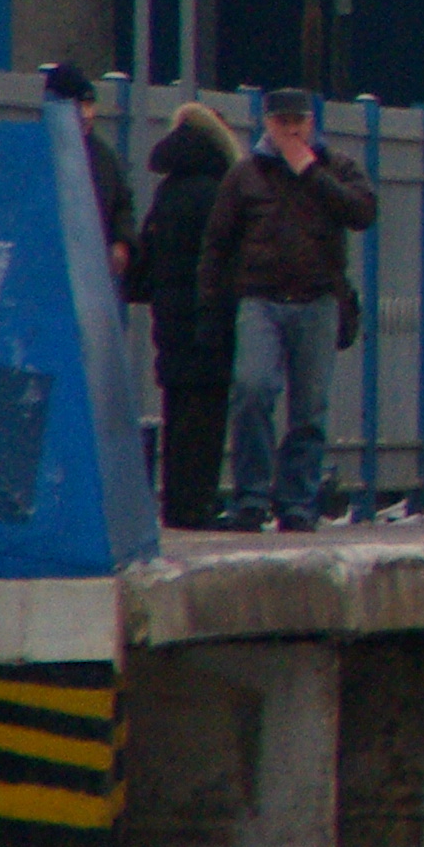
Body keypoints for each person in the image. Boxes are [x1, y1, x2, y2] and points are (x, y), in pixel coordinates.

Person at [197, 87, 380, 532]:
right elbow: (217, 244)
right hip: (260, 300)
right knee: (253, 390)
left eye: (299, 121)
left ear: (311, 123)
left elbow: (362, 212)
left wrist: (311, 173)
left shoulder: (337, 168)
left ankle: (298, 502)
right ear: (267, 124)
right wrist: (208, 307)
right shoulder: (245, 175)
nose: (292, 130)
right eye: (283, 122)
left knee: (309, 408)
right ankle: (251, 499)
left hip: (317, 301)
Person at [127, 100, 241, 529]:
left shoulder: (168, 190)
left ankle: (175, 503)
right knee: (206, 414)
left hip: (169, 316)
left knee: (177, 409)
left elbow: (148, 254)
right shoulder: (218, 192)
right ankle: (196, 505)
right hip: (207, 316)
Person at [40, 64, 134, 284]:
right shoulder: (40, 153)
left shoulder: (103, 157)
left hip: (93, 280)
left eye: (89, 105)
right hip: (49, 277)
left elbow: (122, 203)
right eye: (78, 105)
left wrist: (121, 242)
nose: (87, 114)